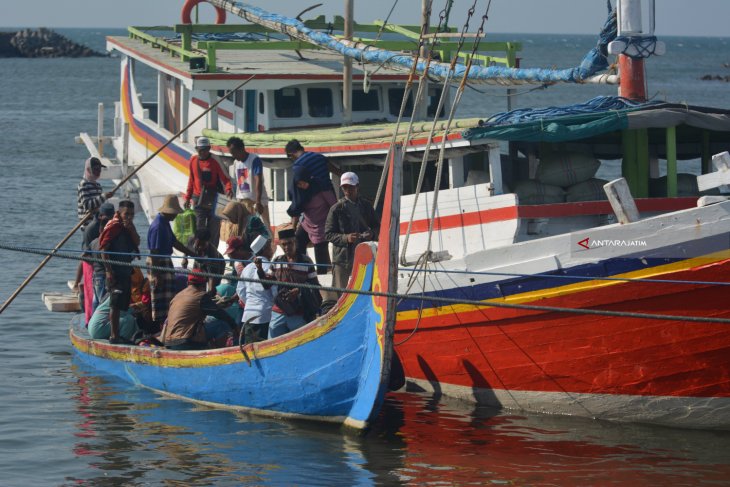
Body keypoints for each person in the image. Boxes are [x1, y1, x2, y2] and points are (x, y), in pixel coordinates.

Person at [325, 171, 379, 296]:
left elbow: (377, 226)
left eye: (350, 186)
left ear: (357, 186)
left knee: (366, 292)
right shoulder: (336, 209)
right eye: (345, 187)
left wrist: (372, 234)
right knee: (340, 294)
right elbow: (328, 234)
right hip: (342, 260)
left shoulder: (366, 206)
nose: (347, 190)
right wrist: (346, 238)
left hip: (364, 257)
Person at [147, 195, 194, 329]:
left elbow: (174, 242)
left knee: (168, 295)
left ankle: (166, 325)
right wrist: (156, 275)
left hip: (165, 261)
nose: (175, 217)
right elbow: (154, 252)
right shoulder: (158, 226)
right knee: (160, 296)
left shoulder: (165, 223)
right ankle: (159, 327)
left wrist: (192, 254)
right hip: (158, 263)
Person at [161, 271, 239, 350]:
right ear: (203, 284)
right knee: (222, 325)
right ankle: (219, 353)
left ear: (188, 283)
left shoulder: (177, 296)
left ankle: (209, 347)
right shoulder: (201, 296)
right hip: (186, 341)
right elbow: (220, 314)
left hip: (169, 341)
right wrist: (235, 326)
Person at [99, 199, 140, 345]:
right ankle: (113, 336)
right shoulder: (114, 226)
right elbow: (103, 249)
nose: (129, 217)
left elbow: (137, 242)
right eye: (126, 214)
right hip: (115, 270)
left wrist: (131, 229)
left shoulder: (128, 226)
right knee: (115, 304)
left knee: (122, 303)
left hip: (125, 269)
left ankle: (118, 335)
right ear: (119, 213)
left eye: (131, 214)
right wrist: (109, 272)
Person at [268, 228, 322, 338]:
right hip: (279, 311)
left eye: (289, 243)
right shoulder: (276, 261)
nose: (287, 247)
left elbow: (315, 285)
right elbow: (266, 283)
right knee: (273, 344)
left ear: (295, 242)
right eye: (283, 244)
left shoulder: (306, 262)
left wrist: (299, 290)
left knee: (301, 342)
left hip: (299, 313)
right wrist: (259, 269)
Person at [183, 136, 233, 247]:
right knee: (199, 228)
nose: (203, 152)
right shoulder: (193, 160)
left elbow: (226, 179)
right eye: (201, 150)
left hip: (214, 198)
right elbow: (191, 180)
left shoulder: (215, 161)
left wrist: (229, 189)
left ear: (209, 148)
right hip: (198, 198)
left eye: (205, 149)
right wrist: (187, 197)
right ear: (197, 149)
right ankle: (198, 252)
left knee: (214, 228)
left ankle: (212, 252)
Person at [287, 165, 337, 274]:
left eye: (303, 182)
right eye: (299, 184)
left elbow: (334, 206)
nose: (302, 185)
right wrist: (293, 227)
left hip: (323, 224)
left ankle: (321, 276)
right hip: (307, 223)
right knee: (298, 240)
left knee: (320, 252)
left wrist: (335, 224)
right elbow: (296, 209)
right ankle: (301, 271)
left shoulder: (321, 187)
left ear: (308, 178)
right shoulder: (298, 191)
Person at [73, 202, 115, 319]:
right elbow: (86, 254)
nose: (111, 220)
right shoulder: (91, 229)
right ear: (101, 216)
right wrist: (99, 263)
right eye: (108, 217)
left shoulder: (111, 226)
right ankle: (92, 319)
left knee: (96, 296)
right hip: (92, 264)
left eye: (112, 217)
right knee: (93, 294)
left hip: (102, 264)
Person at [227, 136, 271, 230]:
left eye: (234, 153)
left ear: (242, 149)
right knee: (245, 230)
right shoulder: (236, 162)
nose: (233, 156)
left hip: (257, 201)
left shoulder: (254, 159)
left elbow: (258, 179)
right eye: (232, 154)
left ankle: (270, 245)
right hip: (242, 202)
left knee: (265, 228)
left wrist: (258, 202)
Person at [237, 235, 275, 344]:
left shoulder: (247, 268)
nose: (271, 250)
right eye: (269, 247)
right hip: (265, 315)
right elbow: (275, 292)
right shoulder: (270, 267)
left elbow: (240, 291)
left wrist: (250, 302)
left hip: (248, 314)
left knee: (249, 348)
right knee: (263, 347)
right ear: (265, 250)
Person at [184, 228, 226, 292]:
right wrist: (185, 258)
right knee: (197, 280)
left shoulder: (212, 254)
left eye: (202, 244)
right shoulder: (191, 239)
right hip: (198, 259)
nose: (200, 247)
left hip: (218, 264)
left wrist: (210, 292)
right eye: (198, 244)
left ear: (208, 242)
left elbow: (212, 276)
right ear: (195, 239)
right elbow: (186, 248)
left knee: (213, 289)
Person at [77, 157, 113, 231]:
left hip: (99, 225)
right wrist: (104, 196)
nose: (99, 171)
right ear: (88, 170)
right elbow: (87, 205)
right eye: (96, 169)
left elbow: (99, 204)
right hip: (87, 226)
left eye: (100, 169)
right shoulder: (83, 185)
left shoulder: (98, 186)